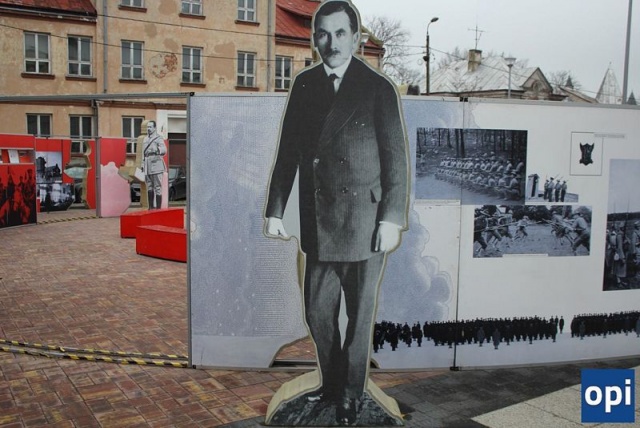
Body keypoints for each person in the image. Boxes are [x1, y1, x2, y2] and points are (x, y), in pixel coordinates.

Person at [264, 1, 408, 424]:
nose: (331, 43)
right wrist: (275, 210)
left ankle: (349, 393)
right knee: (317, 313)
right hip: (320, 220)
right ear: (314, 39)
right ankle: (332, 382)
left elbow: (396, 160)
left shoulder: (377, 87)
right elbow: (288, 152)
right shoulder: (305, 85)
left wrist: (391, 219)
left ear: (356, 38)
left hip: (366, 224)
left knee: (360, 318)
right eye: (323, 34)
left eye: (340, 33)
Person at [142, 120, 167, 209]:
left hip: (156, 165)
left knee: (157, 187)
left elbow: (164, 150)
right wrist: (142, 164)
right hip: (147, 164)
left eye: (150, 127)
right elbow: (143, 153)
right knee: (149, 186)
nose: (148, 129)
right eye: (147, 127)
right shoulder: (145, 139)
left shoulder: (158, 138)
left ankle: (158, 209)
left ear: (154, 128)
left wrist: (157, 150)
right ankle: (151, 208)